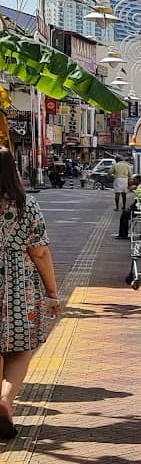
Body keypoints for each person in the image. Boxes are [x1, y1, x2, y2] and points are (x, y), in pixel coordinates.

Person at [0, 148, 61, 438]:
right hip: (18, 285)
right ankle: (5, 401)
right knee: (20, 349)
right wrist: (52, 291)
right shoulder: (27, 205)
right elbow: (40, 252)